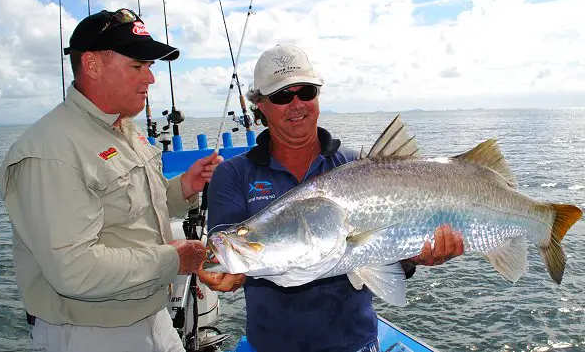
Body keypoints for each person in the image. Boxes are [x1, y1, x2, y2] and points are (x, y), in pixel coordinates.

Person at [198, 44, 465, 352]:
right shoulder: (233, 174)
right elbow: (224, 250)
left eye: (306, 92)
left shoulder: (355, 165)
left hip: (357, 343)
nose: (297, 104)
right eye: (282, 96)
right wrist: (225, 272)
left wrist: (416, 256)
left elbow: (390, 256)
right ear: (259, 105)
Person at [0, 9, 222, 352]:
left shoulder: (122, 129)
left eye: (150, 67)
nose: (150, 79)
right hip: (91, 334)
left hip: (154, 319)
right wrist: (174, 259)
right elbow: (75, 270)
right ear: (92, 65)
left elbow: (136, 206)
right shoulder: (51, 150)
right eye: (137, 67)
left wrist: (185, 188)